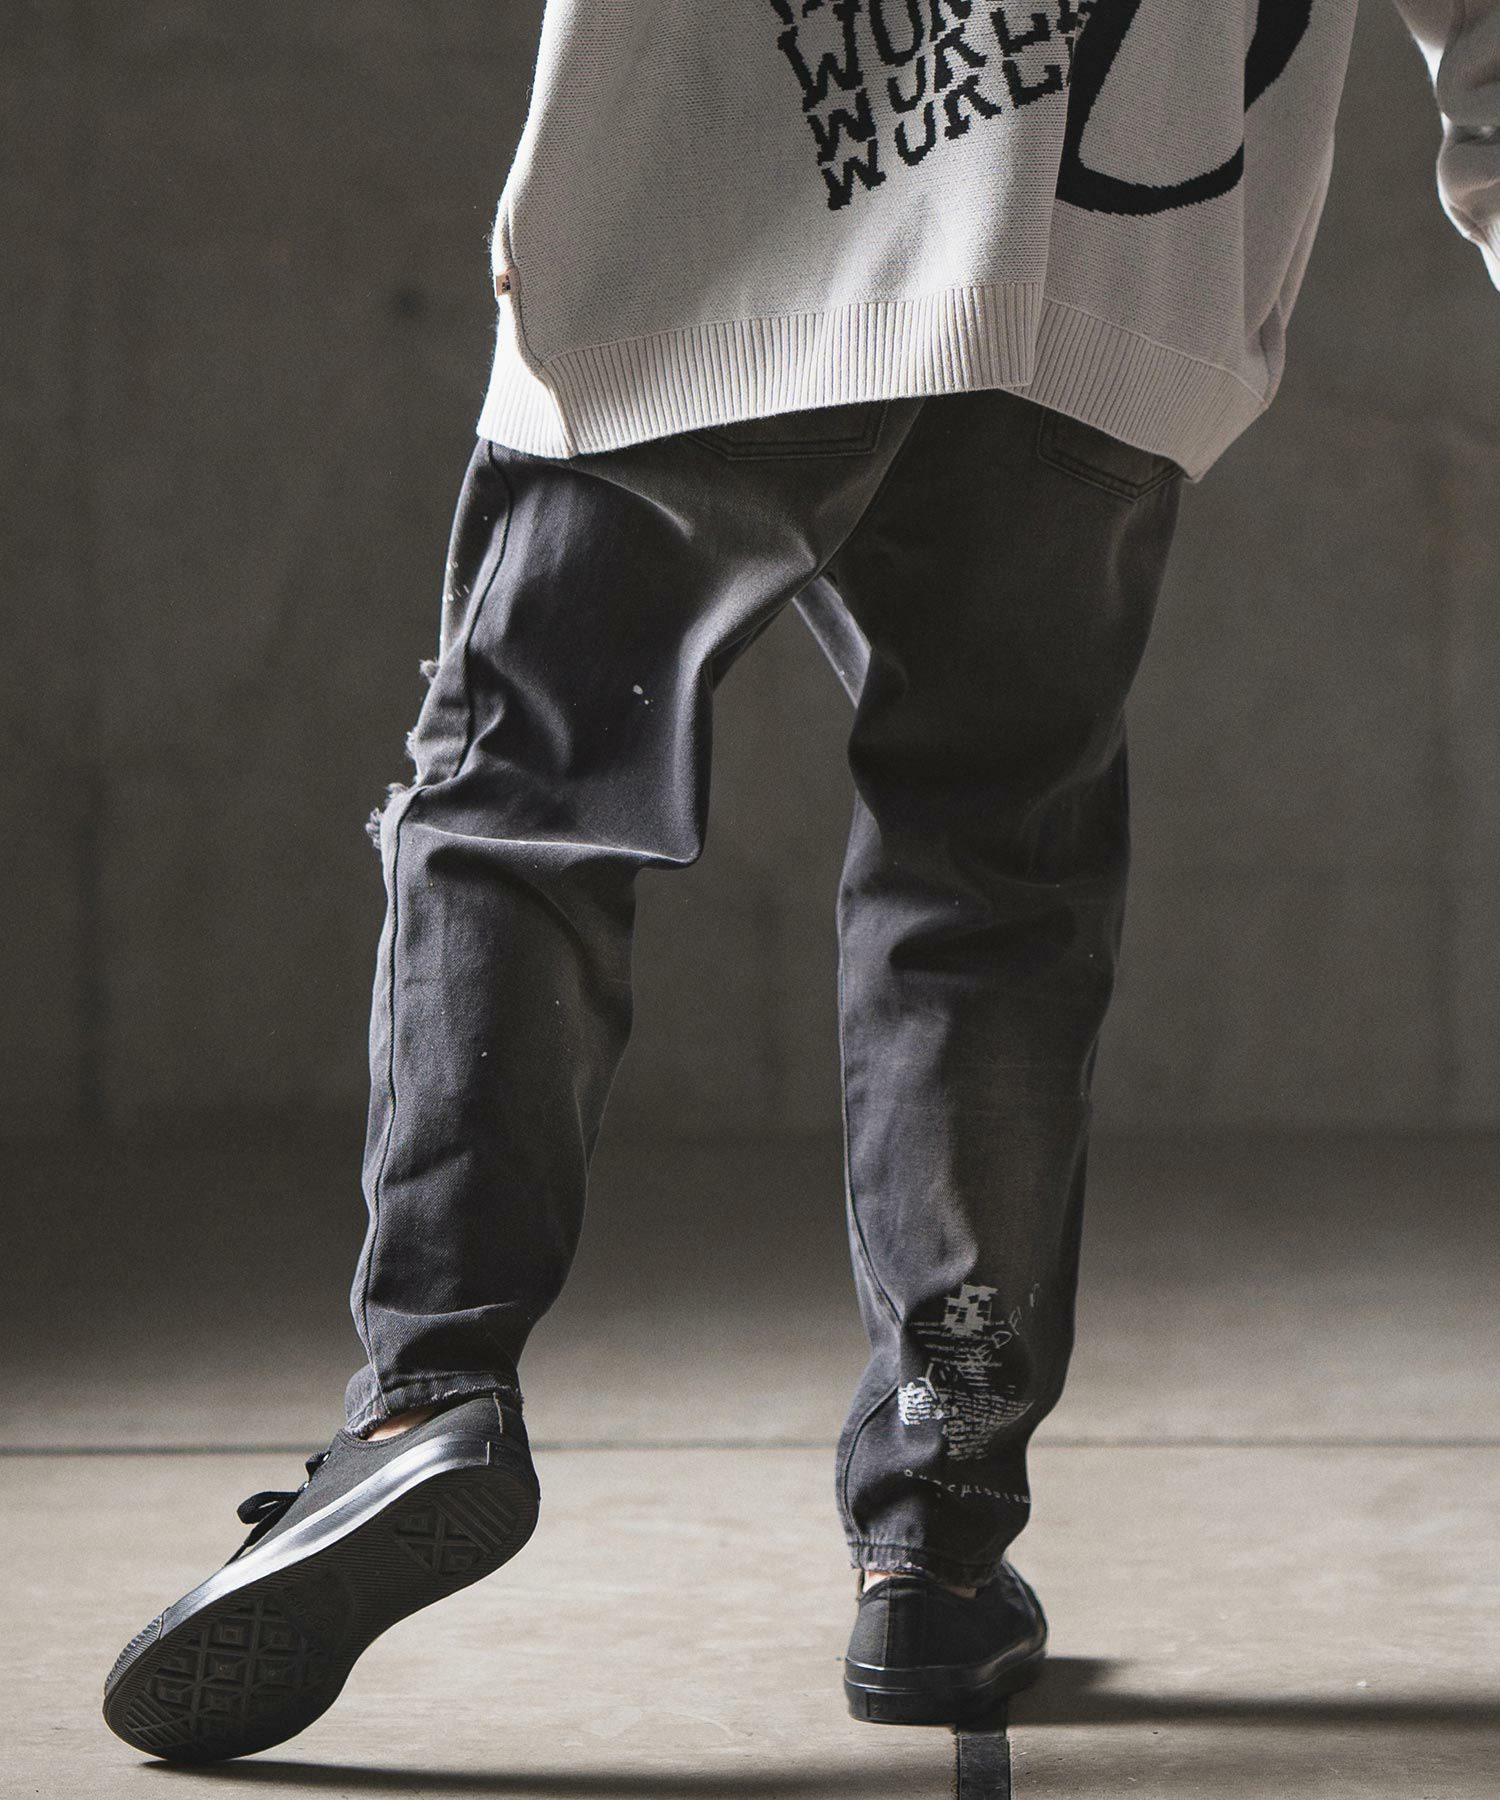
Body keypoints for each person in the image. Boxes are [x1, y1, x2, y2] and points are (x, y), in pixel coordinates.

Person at [104, 0, 1499, 1763]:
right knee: (987, 885)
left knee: (526, 809)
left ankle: (427, 1399)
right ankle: (940, 1529)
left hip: (724, 218)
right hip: (1103, 283)